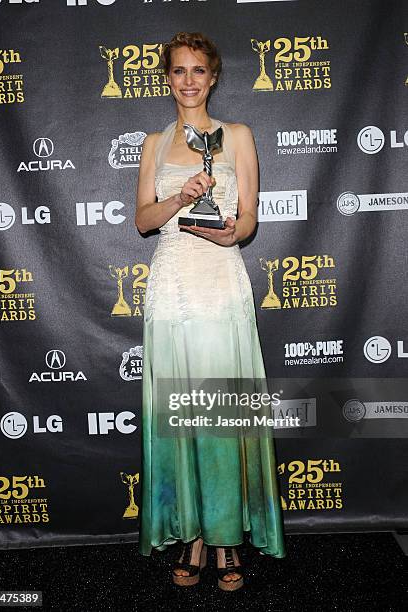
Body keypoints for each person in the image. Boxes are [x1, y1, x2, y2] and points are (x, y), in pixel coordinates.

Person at [135, 32, 286, 592]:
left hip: (221, 282)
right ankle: (193, 534)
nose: (190, 80)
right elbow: (145, 221)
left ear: (214, 76)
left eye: (199, 70)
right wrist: (180, 197)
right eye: (179, 71)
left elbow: (248, 219)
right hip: (172, 285)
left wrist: (232, 235)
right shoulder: (154, 143)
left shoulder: (239, 136)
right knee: (182, 416)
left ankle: (225, 542)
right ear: (167, 78)